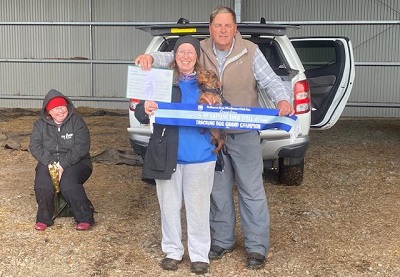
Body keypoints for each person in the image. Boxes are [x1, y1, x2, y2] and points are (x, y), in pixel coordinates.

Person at [135, 6, 295, 269]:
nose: (222, 30)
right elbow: (172, 57)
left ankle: (256, 247)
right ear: (210, 29)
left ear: (235, 28)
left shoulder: (250, 51)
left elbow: (271, 81)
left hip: (243, 133)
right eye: (218, 26)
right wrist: (149, 58)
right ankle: (222, 240)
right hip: (211, 136)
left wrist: (283, 99)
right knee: (217, 191)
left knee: (251, 189)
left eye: (228, 26)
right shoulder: (199, 49)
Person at [134, 35, 216, 275]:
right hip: (167, 154)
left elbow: (224, 108)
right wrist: (145, 107)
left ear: (197, 57)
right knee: (168, 207)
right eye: (182, 52)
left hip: (201, 156)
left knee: (199, 210)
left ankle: (200, 255)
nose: (186, 56)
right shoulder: (161, 81)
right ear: (175, 56)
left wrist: (215, 105)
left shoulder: (208, 83)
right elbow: (140, 112)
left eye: (191, 52)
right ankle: (172, 251)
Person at [29, 89, 94, 231]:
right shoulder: (40, 125)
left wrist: (63, 165)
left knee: (68, 184)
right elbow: (35, 146)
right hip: (49, 162)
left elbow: (82, 146)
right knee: (43, 184)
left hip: (77, 162)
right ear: (48, 112)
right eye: (55, 108)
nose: (60, 111)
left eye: (62, 107)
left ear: (67, 107)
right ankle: (43, 218)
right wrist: (51, 164)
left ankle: (84, 217)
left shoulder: (77, 122)